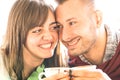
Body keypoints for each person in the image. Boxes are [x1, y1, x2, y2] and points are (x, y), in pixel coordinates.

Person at [0, 0, 70, 80]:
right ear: (18, 33)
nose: (49, 37)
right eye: (37, 30)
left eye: (54, 27)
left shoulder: (58, 66)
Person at [55, 0, 120, 80]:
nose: (64, 37)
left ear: (97, 19)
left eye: (72, 23)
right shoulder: (63, 63)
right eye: (58, 26)